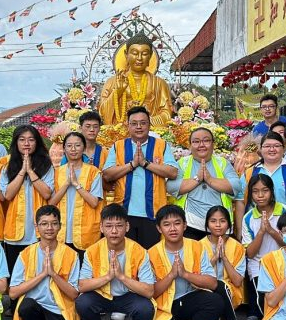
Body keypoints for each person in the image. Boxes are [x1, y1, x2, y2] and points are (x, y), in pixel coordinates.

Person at [76, 203, 155, 320]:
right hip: (102, 295)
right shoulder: (92, 251)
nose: (114, 231)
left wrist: (121, 276)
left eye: (119, 225)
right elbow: (82, 286)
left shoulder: (140, 251)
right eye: (109, 226)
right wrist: (108, 277)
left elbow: (149, 290)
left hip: (129, 296)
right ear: (101, 228)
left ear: (127, 227)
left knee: (145, 308)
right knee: (82, 302)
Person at [146, 205, 222, 320]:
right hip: (164, 305)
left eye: (177, 223)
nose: (172, 228)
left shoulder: (196, 246)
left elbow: (212, 283)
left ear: (185, 225)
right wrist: (172, 275)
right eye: (166, 224)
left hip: (189, 299)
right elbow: (151, 292)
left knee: (216, 301)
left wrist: (185, 274)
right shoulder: (151, 253)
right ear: (159, 229)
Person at [9, 206, 81, 320]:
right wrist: (42, 274)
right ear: (37, 227)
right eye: (44, 224)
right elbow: (13, 293)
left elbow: (74, 294)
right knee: (26, 306)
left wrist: (53, 274)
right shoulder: (26, 254)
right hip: (36, 308)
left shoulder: (71, 255)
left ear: (60, 226)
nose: (49, 228)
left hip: (59, 310)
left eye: (54, 223)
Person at [102, 106, 178, 248]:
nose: (139, 127)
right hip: (125, 213)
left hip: (153, 213)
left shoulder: (161, 145)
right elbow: (107, 174)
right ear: (128, 126)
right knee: (127, 257)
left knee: (150, 257)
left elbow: (173, 172)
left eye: (143, 123)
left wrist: (145, 164)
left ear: (149, 125)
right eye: (134, 123)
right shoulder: (118, 146)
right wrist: (131, 165)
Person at [167, 126, 241, 240]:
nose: (201, 145)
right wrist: (197, 179)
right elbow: (171, 187)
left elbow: (236, 186)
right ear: (190, 145)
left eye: (206, 141)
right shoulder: (183, 163)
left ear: (213, 144)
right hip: (190, 224)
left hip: (219, 225)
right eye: (196, 142)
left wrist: (210, 180)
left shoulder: (222, 163)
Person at [1, 124, 55, 270]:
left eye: (31, 140)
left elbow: (47, 193)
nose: (26, 143)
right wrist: (21, 171)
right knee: (16, 273)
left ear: (36, 142)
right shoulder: (6, 165)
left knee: (38, 270)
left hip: (39, 228)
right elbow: (8, 194)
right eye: (22, 139)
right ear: (15, 142)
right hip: (14, 228)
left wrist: (30, 171)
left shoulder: (46, 165)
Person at [238, 174, 286, 320]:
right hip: (258, 264)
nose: (260, 195)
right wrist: (261, 232)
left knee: (284, 300)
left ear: (272, 191)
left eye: (265, 190)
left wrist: (272, 232)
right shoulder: (248, 217)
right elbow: (250, 253)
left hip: (283, 263)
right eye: (255, 191)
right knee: (264, 303)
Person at [199, 205, 249, 320]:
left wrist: (225, 258)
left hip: (231, 292)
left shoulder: (237, 246)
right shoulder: (199, 245)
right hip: (206, 290)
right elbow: (197, 277)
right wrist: (215, 257)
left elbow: (238, 281)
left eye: (222, 221)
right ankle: (223, 319)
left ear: (229, 224)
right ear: (207, 224)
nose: (218, 225)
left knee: (222, 285)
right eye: (213, 221)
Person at [98, 32, 174, 126]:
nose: (139, 58)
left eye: (144, 54)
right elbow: (102, 112)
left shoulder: (159, 83)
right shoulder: (113, 82)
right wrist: (117, 92)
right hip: (120, 131)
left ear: (150, 56)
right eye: (134, 53)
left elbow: (167, 113)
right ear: (126, 54)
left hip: (150, 132)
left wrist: (145, 122)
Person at [48, 132, 103, 260]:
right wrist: (67, 184)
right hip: (61, 231)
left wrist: (77, 185)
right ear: (64, 148)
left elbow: (94, 202)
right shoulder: (57, 172)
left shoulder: (93, 172)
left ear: (84, 148)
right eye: (69, 146)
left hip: (85, 232)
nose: (73, 149)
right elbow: (51, 203)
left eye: (77, 145)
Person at [236, 132, 286, 212]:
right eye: (267, 146)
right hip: (257, 222)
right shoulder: (249, 173)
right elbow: (240, 201)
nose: (272, 149)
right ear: (260, 149)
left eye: (276, 146)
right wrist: (240, 224)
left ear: (284, 148)